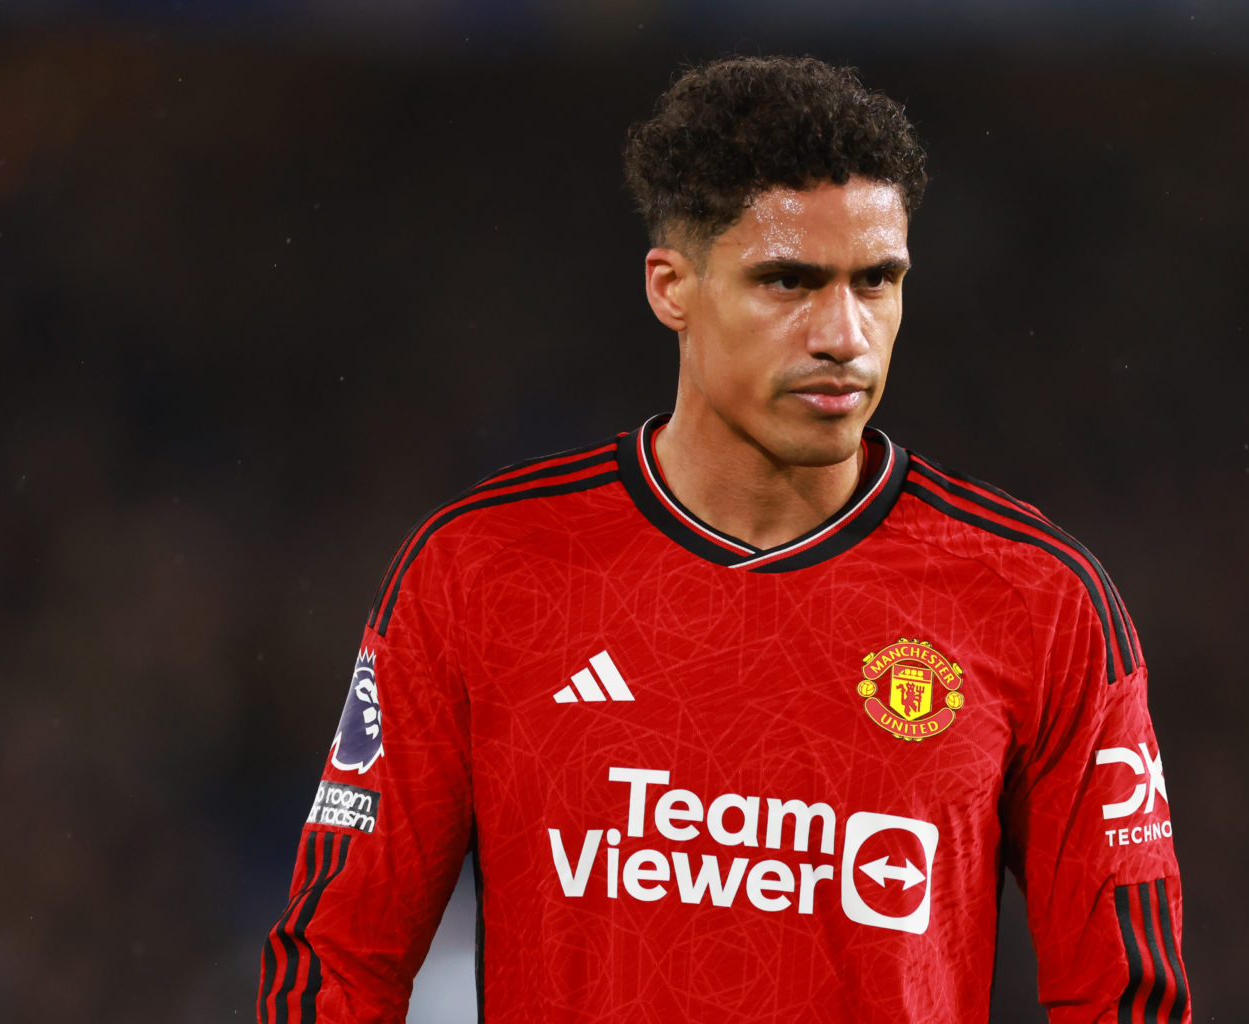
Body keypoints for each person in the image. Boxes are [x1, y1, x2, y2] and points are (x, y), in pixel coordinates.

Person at [258, 55, 1190, 1023]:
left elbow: (1128, 997)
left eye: (877, 281)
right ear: (672, 287)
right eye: (788, 280)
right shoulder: (483, 570)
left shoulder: (1038, 601)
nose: (844, 333)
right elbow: (335, 961)